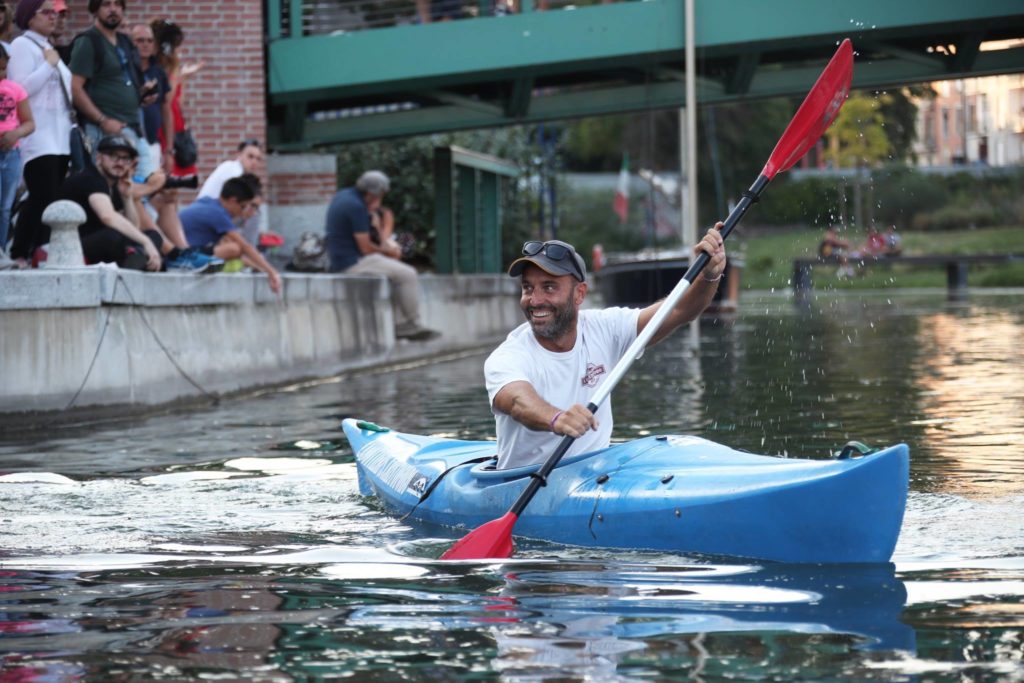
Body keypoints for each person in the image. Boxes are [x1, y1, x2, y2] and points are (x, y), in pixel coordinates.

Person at [484, 230, 726, 470]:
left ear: (579, 294)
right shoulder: (509, 357)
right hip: (524, 483)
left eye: (548, 288)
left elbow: (678, 311)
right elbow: (517, 401)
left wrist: (709, 277)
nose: (534, 300)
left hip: (595, 475)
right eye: (528, 288)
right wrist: (556, 419)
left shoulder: (604, 328)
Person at [325, 170, 438, 341]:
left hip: (340, 258)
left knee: (396, 272)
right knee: (407, 274)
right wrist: (389, 252)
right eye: (381, 195)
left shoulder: (343, 196)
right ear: (372, 194)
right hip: (351, 261)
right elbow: (365, 248)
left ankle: (402, 322)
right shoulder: (356, 207)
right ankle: (409, 323)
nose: (381, 200)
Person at [68, 0, 164, 199]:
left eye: (118, 5)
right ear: (95, 9)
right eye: (106, 4)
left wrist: (141, 95)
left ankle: (139, 229)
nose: (113, 9)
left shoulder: (124, 41)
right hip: (104, 131)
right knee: (109, 192)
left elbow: (122, 81)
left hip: (134, 127)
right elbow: (74, 88)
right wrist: (102, 120)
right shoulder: (88, 41)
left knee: (147, 188)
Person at [7, 0, 72, 268]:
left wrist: (53, 62)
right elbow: (19, 88)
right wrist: (49, 66)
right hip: (38, 135)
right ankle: (19, 251)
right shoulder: (23, 45)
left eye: (55, 13)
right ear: (29, 17)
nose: (53, 17)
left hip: (60, 136)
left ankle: (38, 251)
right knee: (40, 196)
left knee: (53, 197)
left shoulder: (48, 48)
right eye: (46, 12)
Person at [58, 134, 162, 270]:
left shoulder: (115, 184)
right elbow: (107, 216)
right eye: (113, 156)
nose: (120, 163)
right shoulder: (91, 178)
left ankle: (135, 258)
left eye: (125, 159)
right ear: (99, 158)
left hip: (99, 244)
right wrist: (145, 242)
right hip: (70, 245)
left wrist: (127, 197)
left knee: (154, 235)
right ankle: (135, 259)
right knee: (114, 236)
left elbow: (133, 227)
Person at [179, 176, 282, 294]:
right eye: (243, 206)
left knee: (233, 248)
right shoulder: (219, 214)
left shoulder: (209, 202)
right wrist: (272, 272)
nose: (243, 211)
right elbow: (244, 247)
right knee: (234, 249)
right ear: (232, 201)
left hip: (185, 249)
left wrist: (260, 267)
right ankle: (195, 266)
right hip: (182, 254)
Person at [0, 43, 35, 269]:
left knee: (5, 207)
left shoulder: (15, 89)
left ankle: (1, 251)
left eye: (3, 69)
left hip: (11, 153)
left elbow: (29, 123)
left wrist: (15, 134)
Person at [197, 138, 263, 244]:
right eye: (250, 156)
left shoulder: (230, 166)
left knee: (251, 210)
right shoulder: (235, 172)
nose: (254, 162)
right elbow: (234, 205)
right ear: (239, 154)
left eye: (258, 159)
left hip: (212, 214)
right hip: (208, 217)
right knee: (254, 212)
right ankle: (247, 252)